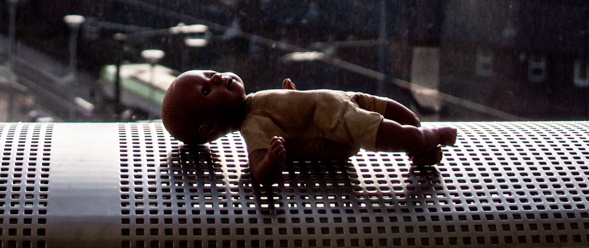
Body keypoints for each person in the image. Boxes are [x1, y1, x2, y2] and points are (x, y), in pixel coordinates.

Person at [161, 70, 457, 185]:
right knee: (389, 132)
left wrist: (292, 96)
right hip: (335, 121)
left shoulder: (253, 103)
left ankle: (424, 149)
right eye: (206, 91)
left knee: (396, 111)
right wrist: (273, 160)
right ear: (209, 128)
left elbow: (291, 115)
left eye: (210, 74)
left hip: (338, 101)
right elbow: (259, 171)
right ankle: (428, 138)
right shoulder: (253, 125)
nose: (216, 79)